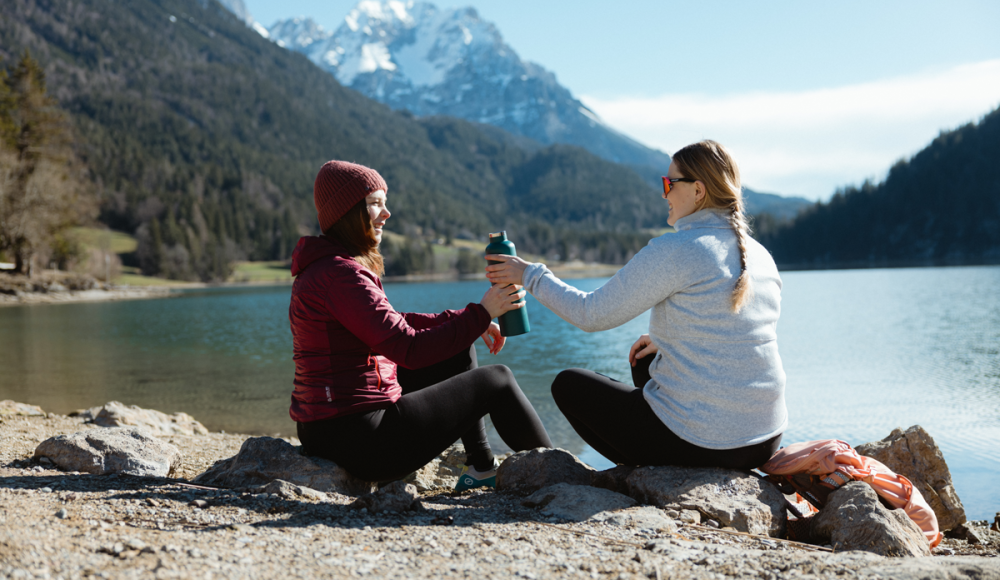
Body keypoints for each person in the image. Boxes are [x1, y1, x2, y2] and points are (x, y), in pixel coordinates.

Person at [485, 140, 786, 470]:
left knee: (568, 385)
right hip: (765, 438)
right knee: (647, 358)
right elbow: (741, 331)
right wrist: (669, 341)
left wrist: (528, 274)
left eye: (669, 183)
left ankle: (644, 473)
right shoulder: (759, 254)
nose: (664, 194)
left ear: (698, 191)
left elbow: (591, 313)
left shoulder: (678, 249)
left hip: (707, 445)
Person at [290, 160, 552, 488]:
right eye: (375, 204)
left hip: (329, 428)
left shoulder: (327, 268)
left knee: (458, 350)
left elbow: (393, 324)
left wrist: (468, 320)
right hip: (360, 438)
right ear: (347, 212)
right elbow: (408, 348)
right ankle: (556, 472)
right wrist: (482, 313)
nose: (386, 214)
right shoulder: (340, 275)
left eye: (385, 204)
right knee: (497, 379)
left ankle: (482, 466)